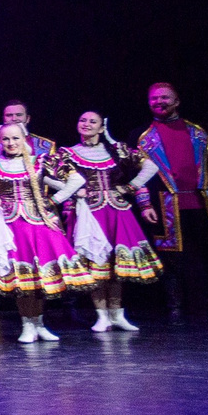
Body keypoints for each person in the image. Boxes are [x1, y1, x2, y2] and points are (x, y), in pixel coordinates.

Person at [0, 123, 94, 342]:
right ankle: (27, 324)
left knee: (38, 278)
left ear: (24, 139)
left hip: (39, 225)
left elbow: (76, 179)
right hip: (11, 227)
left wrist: (55, 200)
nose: (11, 143)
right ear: (0, 141)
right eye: (6, 139)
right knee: (22, 279)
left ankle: (39, 323)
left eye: (15, 139)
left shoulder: (40, 162)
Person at [136, 82, 208, 324]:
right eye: (154, 99)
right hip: (167, 207)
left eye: (165, 98)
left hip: (206, 205)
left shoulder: (200, 132)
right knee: (171, 264)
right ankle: (174, 313)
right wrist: (145, 205)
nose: (159, 102)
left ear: (177, 101)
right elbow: (138, 177)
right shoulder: (143, 138)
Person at [66, 111, 164, 331]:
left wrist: (129, 187)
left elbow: (151, 166)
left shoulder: (116, 150)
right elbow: (46, 175)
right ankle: (101, 315)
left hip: (116, 211)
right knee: (96, 263)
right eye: (82, 120)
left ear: (102, 128)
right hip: (89, 213)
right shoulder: (68, 154)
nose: (87, 124)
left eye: (93, 121)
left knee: (115, 266)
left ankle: (117, 313)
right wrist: (72, 192)